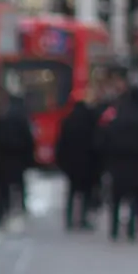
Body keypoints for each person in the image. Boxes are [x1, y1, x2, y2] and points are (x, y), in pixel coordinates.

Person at [100, 85, 138, 240]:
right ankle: (132, 229)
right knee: (135, 197)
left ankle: (114, 229)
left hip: (117, 165)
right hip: (137, 165)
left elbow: (105, 143)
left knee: (116, 198)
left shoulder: (116, 120)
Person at [0, 88, 35, 226]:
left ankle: (1, 213)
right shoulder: (18, 116)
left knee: (1, 190)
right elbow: (27, 138)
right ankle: (17, 207)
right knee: (16, 184)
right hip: (14, 157)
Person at [55, 90, 100, 230]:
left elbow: (61, 143)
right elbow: (97, 142)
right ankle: (83, 218)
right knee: (85, 192)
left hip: (71, 163)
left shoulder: (68, 121)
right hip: (88, 162)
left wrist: (61, 162)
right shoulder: (91, 121)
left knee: (72, 191)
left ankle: (69, 218)